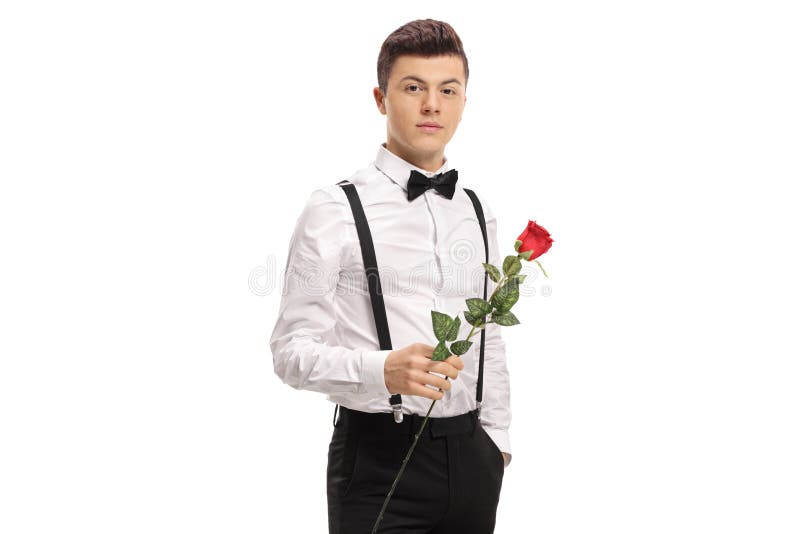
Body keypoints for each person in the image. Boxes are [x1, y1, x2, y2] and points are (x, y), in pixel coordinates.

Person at [269, 19, 511, 534]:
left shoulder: (476, 209)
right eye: (413, 88)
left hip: (472, 462)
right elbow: (290, 353)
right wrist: (381, 370)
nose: (432, 106)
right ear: (381, 99)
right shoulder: (333, 208)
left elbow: (489, 336)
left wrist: (496, 441)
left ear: (464, 101)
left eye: (448, 90)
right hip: (378, 461)